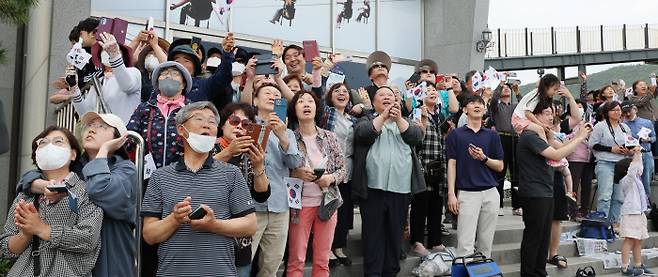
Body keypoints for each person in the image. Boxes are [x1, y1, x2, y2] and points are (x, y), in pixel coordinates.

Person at [141, 101, 257, 276]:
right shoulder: (160, 177)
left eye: (212, 121)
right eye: (199, 119)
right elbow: (149, 235)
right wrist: (175, 219)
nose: (206, 124)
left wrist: (213, 225)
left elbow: (250, 225)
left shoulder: (231, 174)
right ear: (181, 129)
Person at [16, 113, 137, 277]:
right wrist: (43, 185)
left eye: (102, 126)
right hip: (73, 260)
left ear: (119, 139)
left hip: (110, 258)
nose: (92, 130)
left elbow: (100, 190)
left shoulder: (125, 169)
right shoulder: (76, 168)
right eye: (89, 126)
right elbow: (26, 180)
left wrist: (104, 151)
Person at [0, 126, 104, 276]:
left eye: (58, 141)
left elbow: (89, 238)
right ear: (36, 154)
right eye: (42, 143)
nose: (49, 146)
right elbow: (5, 249)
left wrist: (42, 229)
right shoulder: (25, 196)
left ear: (73, 154)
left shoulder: (86, 191)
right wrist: (25, 234)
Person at [353, 86, 425, 276]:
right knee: (372, 236)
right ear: (374, 102)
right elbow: (363, 134)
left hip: (400, 189)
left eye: (390, 95)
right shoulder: (366, 120)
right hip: (372, 189)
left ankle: (390, 272)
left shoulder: (406, 122)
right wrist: (383, 117)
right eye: (381, 95)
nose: (386, 98)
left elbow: (416, 137)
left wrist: (398, 118)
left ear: (397, 101)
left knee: (395, 236)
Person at [516, 100, 592, 277]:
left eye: (552, 113)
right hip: (534, 193)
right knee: (534, 238)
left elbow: (563, 148)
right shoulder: (529, 136)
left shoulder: (543, 136)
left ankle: (539, 272)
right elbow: (557, 154)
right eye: (546, 113)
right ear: (535, 116)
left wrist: (578, 136)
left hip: (545, 191)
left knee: (543, 239)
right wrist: (580, 137)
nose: (551, 117)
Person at [287, 91, 346, 277]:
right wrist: (295, 173)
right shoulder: (289, 138)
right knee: (296, 259)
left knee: (322, 260)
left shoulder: (330, 137)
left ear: (316, 107)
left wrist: (330, 178)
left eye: (310, 101)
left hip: (327, 203)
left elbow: (343, 170)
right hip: (299, 205)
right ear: (294, 109)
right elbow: (280, 169)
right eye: (301, 101)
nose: (306, 104)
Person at [250, 84, 303, 277]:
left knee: (271, 265)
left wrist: (282, 136)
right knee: (243, 261)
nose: (273, 96)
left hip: (280, 205)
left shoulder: (287, 131)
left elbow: (295, 162)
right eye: (267, 93)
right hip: (252, 206)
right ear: (255, 101)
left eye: (277, 95)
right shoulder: (247, 124)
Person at [214, 103, 271, 277]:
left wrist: (259, 165)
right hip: (211, 235)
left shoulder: (250, 154)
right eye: (234, 120)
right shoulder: (209, 148)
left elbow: (261, 195)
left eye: (246, 124)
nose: (239, 126)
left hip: (241, 240)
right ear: (222, 124)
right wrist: (228, 153)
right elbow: (196, 174)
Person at [446, 95, 504, 258]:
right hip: (467, 193)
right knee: (465, 244)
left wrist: (483, 158)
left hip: (491, 192)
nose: (477, 106)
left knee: (486, 244)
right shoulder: (456, 135)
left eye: (480, 103)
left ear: (485, 109)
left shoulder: (492, 135)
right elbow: (452, 164)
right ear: (465, 110)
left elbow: (500, 166)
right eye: (472, 103)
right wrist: (452, 194)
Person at [127, 61, 193, 169]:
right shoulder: (145, 108)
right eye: (163, 74)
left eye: (174, 74)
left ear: (183, 84)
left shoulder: (192, 110)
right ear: (157, 83)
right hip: (148, 174)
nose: (168, 76)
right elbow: (129, 137)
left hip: (183, 176)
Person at [317, 83, 356, 266]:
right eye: (337, 91)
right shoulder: (327, 113)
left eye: (345, 91)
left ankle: (339, 247)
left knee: (345, 212)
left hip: (348, 169)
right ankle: (328, 250)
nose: (342, 94)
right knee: (330, 209)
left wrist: (362, 105)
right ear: (330, 95)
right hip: (329, 169)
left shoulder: (352, 119)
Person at [410, 82, 448, 257]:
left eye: (434, 90)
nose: (432, 92)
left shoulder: (439, 115)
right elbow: (417, 139)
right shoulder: (417, 112)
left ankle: (435, 240)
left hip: (438, 167)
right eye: (428, 91)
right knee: (420, 205)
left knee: (436, 204)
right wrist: (423, 119)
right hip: (423, 165)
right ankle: (416, 241)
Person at [71, 32, 142, 123]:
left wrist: (115, 56)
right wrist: (74, 89)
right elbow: (85, 113)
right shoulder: (99, 81)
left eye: (112, 49)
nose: (107, 51)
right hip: (104, 134)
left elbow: (127, 86)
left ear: (122, 56)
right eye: (104, 50)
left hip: (125, 133)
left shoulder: (133, 72)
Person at [588, 101, 635, 224]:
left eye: (619, 110)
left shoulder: (625, 127)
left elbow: (631, 145)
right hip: (605, 163)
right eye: (613, 110)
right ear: (607, 112)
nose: (617, 112)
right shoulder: (600, 126)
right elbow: (592, 144)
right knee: (605, 196)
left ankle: (614, 223)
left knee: (619, 197)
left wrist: (629, 151)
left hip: (621, 164)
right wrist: (611, 149)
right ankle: (601, 224)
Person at [616, 153, 654, 276]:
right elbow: (633, 169)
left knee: (638, 240)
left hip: (639, 212)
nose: (638, 169)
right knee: (629, 240)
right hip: (630, 213)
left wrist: (639, 154)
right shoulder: (626, 180)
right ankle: (625, 267)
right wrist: (636, 155)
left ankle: (638, 264)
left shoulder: (637, 179)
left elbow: (638, 168)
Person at [489, 83, 522, 216]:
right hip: (501, 138)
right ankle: (499, 204)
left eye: (508, 87)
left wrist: (517, 91)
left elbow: (525, 105)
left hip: (515, 138)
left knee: (516, 172)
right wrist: (499, 86)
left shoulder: (515, 106)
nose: (507, 88)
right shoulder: (496, 106)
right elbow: (492, 102)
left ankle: (517, 205)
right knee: (500, 172)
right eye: (504, 88)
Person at [512, 74, 561, 142]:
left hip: (521, 119)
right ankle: (546, 147)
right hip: (519, 120)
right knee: (540, 129)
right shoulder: (537, 94)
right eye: (554, 89)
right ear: (546, 87)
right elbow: (527, 113)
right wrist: (541, 124)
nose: (555, 92)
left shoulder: (539, 93)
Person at [622, 101, 655, 199]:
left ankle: (647, 205)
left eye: (629, 111)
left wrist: (648, 139)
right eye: (625, 112)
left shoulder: (647, 122)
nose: (628, 114)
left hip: (646, 153)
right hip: (631, 154)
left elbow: (654, 137)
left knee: (646, 180)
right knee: (632, 180)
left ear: (635, 109)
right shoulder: (623, 124)